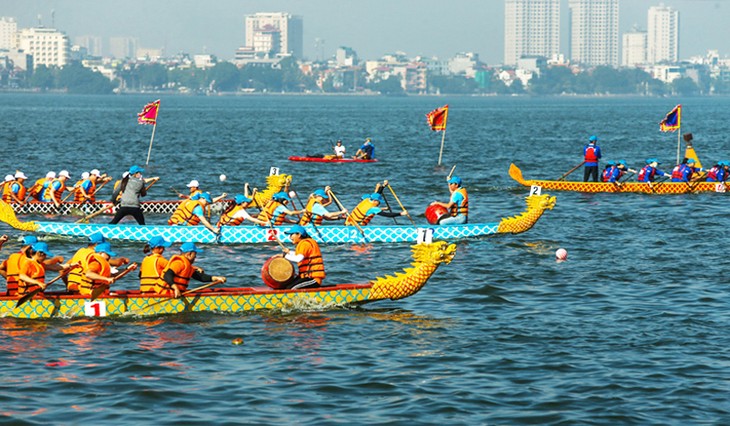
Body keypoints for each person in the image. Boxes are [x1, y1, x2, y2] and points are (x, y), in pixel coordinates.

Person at [154, 242, 226, 297]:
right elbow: (167, 275)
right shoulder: (179, 263)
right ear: (189, 254)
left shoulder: (188, 266)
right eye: (195, 254)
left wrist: (216, 278)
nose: (195, 257)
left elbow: (200, 277)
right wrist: (176, 288)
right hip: (166, 294)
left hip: (176, 293)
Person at [282, 224, 325, 289]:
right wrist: (288, 253)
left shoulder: (305, 243)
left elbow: (298, 258)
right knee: (286, 286)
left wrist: (285, 256)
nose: (290, 237)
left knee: (291, 288)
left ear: (299, 235)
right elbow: (298, 255)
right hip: (305, 277)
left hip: (313, 278)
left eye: (291, 235)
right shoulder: (303, 243)